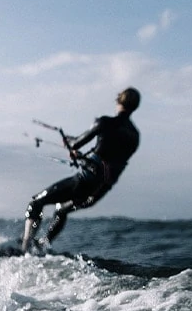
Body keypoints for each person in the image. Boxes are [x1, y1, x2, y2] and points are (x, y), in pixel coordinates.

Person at [21, 87, 141, 253]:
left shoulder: (104, 122)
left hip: (84, 181)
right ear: (135, 107)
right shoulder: (135, 136)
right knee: (61, 210)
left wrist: (69, 142)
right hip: (99, 191)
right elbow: (110, 159)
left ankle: (24, 248)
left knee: (36, 202)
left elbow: (76, 144)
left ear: (119, 101)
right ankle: (43, 245)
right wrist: (81, 154)